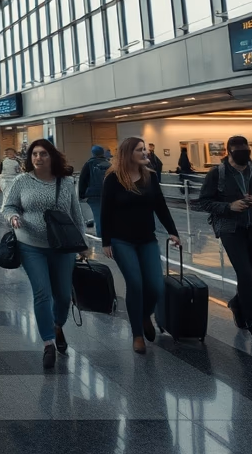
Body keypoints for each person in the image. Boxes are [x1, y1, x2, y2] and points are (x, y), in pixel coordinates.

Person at [3, 139, 88, 370]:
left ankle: (57, 325)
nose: (38, 158)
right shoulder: (22, 181)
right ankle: (48, 342)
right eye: (34, 154)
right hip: (30, 244)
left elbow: (75, 214)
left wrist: (82, 244)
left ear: (52, 157)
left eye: (43, 154)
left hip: (62, 246)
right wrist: (12, 217)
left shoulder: (66, 182)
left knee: (62, 296)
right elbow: (8, 206)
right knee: (42, 292)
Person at [100, 137, 181, 354]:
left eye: (145, 149)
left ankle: (145, 315)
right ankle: (137, 334)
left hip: (147, 239)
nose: (145, 153)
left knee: (155, 286)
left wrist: (173, 231)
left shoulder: (150, 176)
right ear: (129, 153)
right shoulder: (113, 178)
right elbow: (105, 211)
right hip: (121, 240)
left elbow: (160, 205)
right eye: (140, 149)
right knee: (135, 284)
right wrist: (105, 240)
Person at [195, 135, 252, 347]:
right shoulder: (217, 173)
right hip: (232, 230)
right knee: (245, 274)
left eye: (245, 150)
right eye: (238, 150)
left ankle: (237, 303)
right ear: (228, 152)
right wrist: (229, 207)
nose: (243, 154)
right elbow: (204, 202)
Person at [77, 145, 112, 234]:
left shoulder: (89, 164)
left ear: (93, 153)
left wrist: (81, 194)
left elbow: (83, 180)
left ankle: (101, 237)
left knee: (98, 216)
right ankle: (110, 235)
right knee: (109, 215)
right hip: (109, 194)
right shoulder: (109, 164)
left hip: (94, 194)